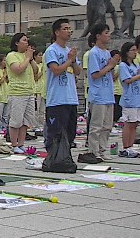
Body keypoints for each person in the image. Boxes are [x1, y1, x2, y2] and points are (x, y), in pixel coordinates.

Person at [44, 19, 81, 151]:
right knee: (56, 133)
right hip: (57, 99)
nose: (69, 31)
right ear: (57, 32)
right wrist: (69, 60)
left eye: (70, 29)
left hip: (71, 97)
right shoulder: (51, 50)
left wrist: (74, 60)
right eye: (65, 28)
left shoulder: (70, 51)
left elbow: (77, 71)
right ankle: (54, 157)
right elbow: (56, 70)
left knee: (70, 133)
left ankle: (65, 157)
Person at [84, 23, 119, 162]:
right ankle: (93, 151)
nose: (108, 35)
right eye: (106, 32)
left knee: (107, 126)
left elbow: (110, 74)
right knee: (96, 126)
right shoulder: (94, 53)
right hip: (98, 95)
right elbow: (95, 74)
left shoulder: (106, 53)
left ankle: (103, 149)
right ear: (98, 36)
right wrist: (110, 66)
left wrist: (113, 67)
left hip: (108, 93)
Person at [5, 33, 38, 153]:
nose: (27, 42)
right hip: (17, 92)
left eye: (27, 40)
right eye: (24, 40)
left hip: (29, 92)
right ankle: (14, 144)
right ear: (16, 43)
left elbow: (36, 71)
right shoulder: (11, 55)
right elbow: (18, 70)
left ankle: (21, 143)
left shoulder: (27, 57)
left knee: (26, 121)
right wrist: (27, 58)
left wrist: (31, 58)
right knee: (16, 120)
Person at [118, 42, 140, 157]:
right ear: (127, 52)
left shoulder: (136, 65)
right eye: (133, 50)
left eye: (136, 50)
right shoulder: (123, 65)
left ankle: (131, 146)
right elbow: (127, 80)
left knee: (135, 123)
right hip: (129, 98)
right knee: (128, 123)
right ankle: (125, 147)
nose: (135, 52)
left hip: (137, 98)